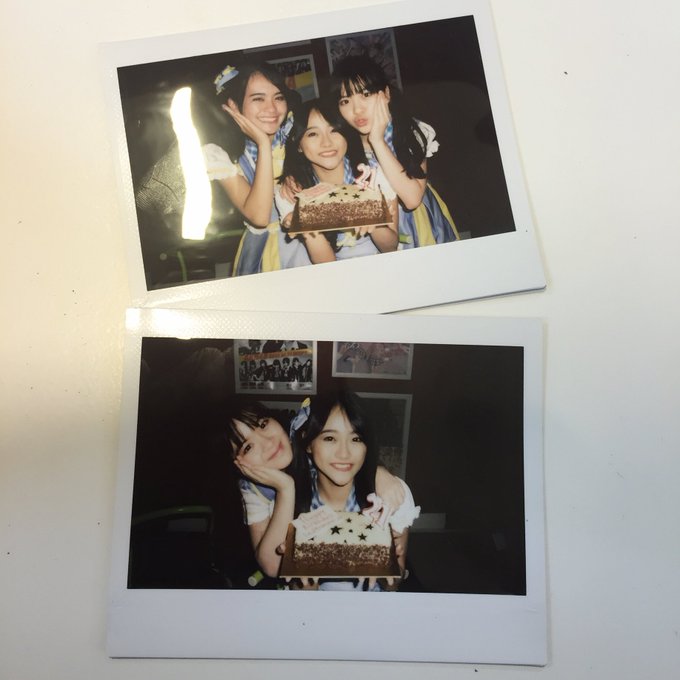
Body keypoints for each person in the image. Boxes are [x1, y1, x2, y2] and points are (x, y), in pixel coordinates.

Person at [225, 398, 406, 578]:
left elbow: (350, 448)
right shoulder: (253, 489)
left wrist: (378, 472)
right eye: (247, 447)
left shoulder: (305, 436)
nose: (268, 443)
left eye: (263, 424)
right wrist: (285, 489)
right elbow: (273, 566)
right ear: (238, 465)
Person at [293, 390, 419, 591]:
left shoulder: (390, 496)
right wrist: (304, 589)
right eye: (329, 438)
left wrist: (389, 571)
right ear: (308, 443)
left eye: (356, 439)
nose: (344, 453)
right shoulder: (291, 498)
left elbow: (393, 585)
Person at [330, 54, 459, 249]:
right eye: (345, 101)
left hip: (420, 226)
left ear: (386, 94)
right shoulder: (341, 143)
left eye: (366, 94)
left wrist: (377, 141)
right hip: (371, 233)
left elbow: (412, 199)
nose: (357, 110)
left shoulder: (411, 131)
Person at [201, 63, 311, 275]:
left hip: (311, 243)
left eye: (278, 97)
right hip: (264, 254)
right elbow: (260, 217)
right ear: (233, 105)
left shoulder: (298, 134)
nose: (272, 109)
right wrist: (263, 144)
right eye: (258, 99)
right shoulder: (220, 155)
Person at [275, 98, 398, 263]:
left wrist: (373, 220)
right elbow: (326, 264)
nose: (326, 143)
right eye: (312, 134)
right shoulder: (291, 192)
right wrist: (308, 229)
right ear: (298, 145)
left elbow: (391, 248)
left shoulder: (373, 174)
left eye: (334, 130)